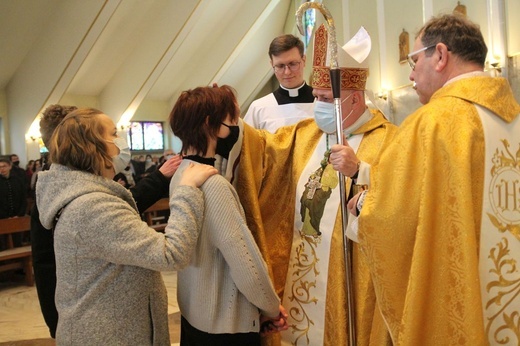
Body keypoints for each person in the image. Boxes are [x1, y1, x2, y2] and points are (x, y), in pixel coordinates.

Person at [357, 14, 520, 345]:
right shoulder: (514, 117)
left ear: (441, 55)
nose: (411, 73)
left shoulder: (431, 123)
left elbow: (391, 217)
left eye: (415, 60)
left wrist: (363, 203)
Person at [234, 24, 397, 345]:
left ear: (351, 100)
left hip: (352, 267)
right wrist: (227, 122)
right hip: (303, 252)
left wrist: (360, 171)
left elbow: (402, 197)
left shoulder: (389, 139)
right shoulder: (308, 133)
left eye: (324, 98)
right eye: (318, 97)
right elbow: (264, 149)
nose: (317, 104)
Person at [35, 108, 217, 344]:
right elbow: (171, 254)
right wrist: (187, 190)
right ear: (92, 146)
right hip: (109, 334)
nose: (121, 141)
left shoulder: (89, 196)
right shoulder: (93, 206)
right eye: (113, 134)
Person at [169, 85, 288, 345]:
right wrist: (270, 307)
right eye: (232, 118)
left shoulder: (181, 174)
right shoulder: (214, 186)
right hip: (224, 325)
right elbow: (245, 263)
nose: (236, 125)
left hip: (194, 313)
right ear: (213, 124)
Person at [243, 34, 314, 133]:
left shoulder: (323, 103)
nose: (287, 72)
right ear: (272, 65)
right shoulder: (259, 108)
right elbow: (247, 146)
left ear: (304, 60)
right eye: (280, 66)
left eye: (293, 64)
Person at [0, 156, 27, 220]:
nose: (2, 169)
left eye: (4, 166)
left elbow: (23, 198)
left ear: (10, 167)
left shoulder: (18, 180)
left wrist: (20, 214)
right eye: (0, 167)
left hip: (18, 216)